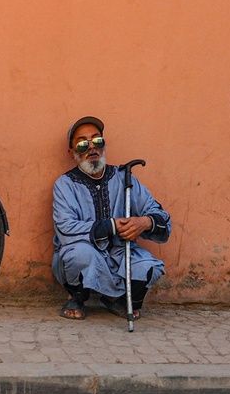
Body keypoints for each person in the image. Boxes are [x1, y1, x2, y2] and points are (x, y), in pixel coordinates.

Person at [51, 116, 171, 321]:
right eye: (82, 143)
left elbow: (162, 219)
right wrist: (111, 226)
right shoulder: (65, 184)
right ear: (71, 153)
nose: (91, 148)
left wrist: (144, 222)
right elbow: (66, 229)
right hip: (85, 252)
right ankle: (77, 298)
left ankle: (120, 301)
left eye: (97, 140)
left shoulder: (124, 178)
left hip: (120, 254)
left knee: (150, 267)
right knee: (79, 255)